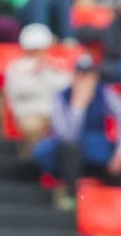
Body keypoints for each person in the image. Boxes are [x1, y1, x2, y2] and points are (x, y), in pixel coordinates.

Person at [34, 55, 121, 201]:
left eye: (89, 75)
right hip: (71, 152)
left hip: (97, 149)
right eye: (80, 75)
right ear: (74, 76)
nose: (85, 79)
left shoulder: (106, 94)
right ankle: (71, 197)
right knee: (69, 150)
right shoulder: (61, 97)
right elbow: (66, 135)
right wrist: (78, 107)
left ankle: (116, 205)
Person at [4, 23, 72, 155]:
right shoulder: (15, 68)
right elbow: (16, 91)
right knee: (32, 127)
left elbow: (67, 89)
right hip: (29, 113)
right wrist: (36, 73)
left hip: (57, 114)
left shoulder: (56, 65)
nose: (37, 51)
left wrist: (53, 70)